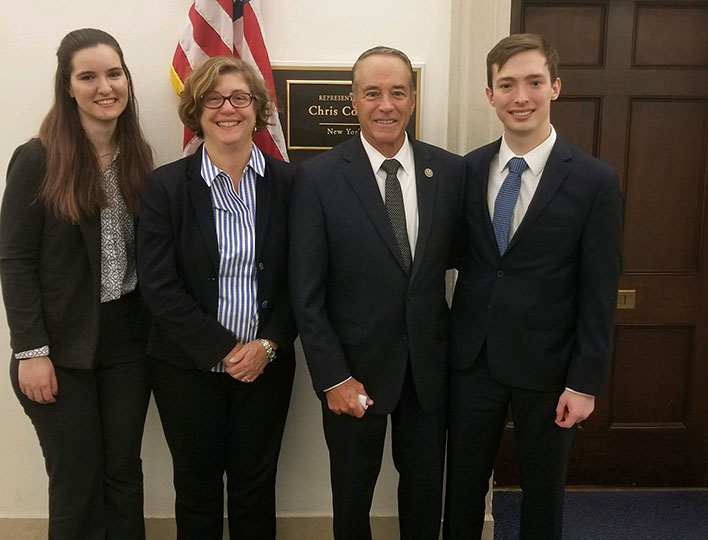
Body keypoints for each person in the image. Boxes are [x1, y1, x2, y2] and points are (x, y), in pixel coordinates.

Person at [443, 33, 624, 540]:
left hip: (551, 369)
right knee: (461, 490)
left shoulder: (595, 182)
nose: (520, 96)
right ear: (490, 94)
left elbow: (599, 289)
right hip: (472, 361)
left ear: (555, 88)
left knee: (543, 495)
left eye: (533, 82)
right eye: (507, 85)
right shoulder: (467, 170)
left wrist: (585, 381)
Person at [289, 46, 465, 540]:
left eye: (397, 92)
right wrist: (334, 377)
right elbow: (307, 294)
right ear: (353, 100)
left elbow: (465, 264)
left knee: (426, 491)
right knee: (352, 497)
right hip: (354, 373)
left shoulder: (448, 172)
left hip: (429, 370)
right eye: (372, 93)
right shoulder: (318, 178)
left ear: (412, 99)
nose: (385, 104)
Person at [0, 28, 153, 540]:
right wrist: (31, 351)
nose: (104, 86)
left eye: (114, 73)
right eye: (88, 76)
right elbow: (15, 259)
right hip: (59, 346)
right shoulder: (39, 158)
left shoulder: (137, 157)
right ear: (68, 86)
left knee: (124, 476)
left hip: (126, 343)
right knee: (76, 481)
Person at [137, 56, 296, 540]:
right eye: (213, 98)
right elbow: (158, 285)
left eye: (240, 98)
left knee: (255, 487)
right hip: (186, 368)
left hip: (265, 366)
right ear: (196, 110)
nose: (228, 108)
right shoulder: (165, 186)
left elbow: (305, 279)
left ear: (258, 108)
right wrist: (226, 351)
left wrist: (266, 346)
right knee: (197, 488)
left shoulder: (289, 183)